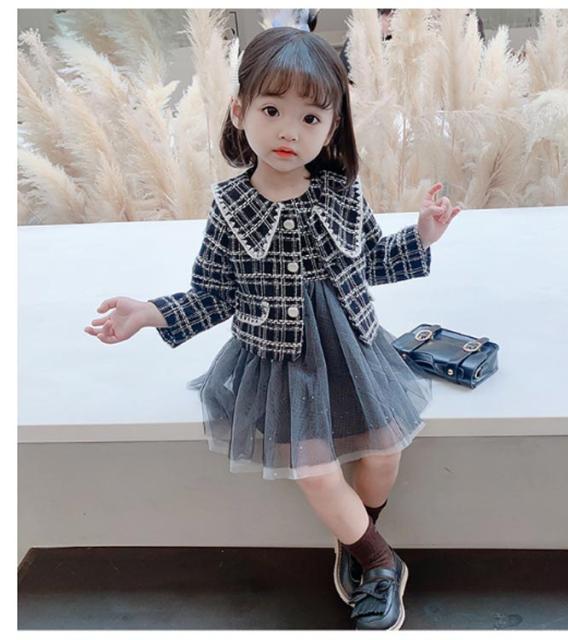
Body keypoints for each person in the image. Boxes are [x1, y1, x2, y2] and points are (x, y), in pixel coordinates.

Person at [84, 26, 460, 631]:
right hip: (283, 361)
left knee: (385, 453)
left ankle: (356, 541)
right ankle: (381, 563)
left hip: (353, 347)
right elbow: (215, 291)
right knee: (313, 470)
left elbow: (371, 260)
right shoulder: (231, 208)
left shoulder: (341, 193)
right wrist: (150, 312)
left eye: (311, 118)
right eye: (271, 110)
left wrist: (422, 236)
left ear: (331, 128)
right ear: (240, 111)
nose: (289, 131)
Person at [339, 8, 394, 81]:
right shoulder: (358, 41)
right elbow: (343, 76)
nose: (391, 23)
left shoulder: (399, 44)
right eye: (388, 18)